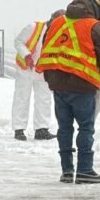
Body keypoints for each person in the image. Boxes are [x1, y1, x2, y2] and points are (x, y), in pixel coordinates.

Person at [36, 0, 100, 184]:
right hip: (82, 84)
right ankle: (85, 170)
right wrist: (99, 71)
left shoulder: (56, 22)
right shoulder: (94, 26)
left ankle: (66, 171)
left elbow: (47, 45)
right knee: (86, 127)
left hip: (57, 83)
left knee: (64, 127)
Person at [11, 10, 64, 141]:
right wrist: (27, 55)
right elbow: (18, 42)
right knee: (22, 98)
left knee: (44, 99)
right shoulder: (33, 27)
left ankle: (42, 129)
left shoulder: (61, 33)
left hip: (43, 70)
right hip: (25, 69)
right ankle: (19, 129)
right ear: (51, 19)